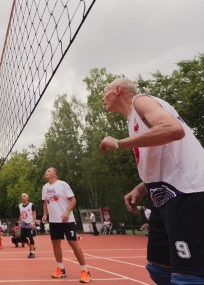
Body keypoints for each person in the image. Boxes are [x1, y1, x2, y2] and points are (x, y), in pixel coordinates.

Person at [99, 77, 204, 284]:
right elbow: (166, 157)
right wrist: (142, 187)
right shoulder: (134, 120)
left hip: (188, 194)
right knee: (158, 269)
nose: (102, 97)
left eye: (105, 91)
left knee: (189, 277)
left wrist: (118, 143)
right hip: (164, 198)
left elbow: (173, 129)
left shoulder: (141, 101)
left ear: (118, 90)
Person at [42, 167, 91, 283]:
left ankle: (85, 271)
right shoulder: (45, 187)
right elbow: (45, 202)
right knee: (55, 243)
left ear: (55, 174)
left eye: (48, 171)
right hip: (54, 221)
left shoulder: (62, 184)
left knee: (73, 243)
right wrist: (45, 214)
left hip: (67, 220)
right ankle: (61, 269)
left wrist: (67, 212)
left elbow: (73, 200)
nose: (46, 172)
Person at [19, 193, 37, 258]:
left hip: (30, 223)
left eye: (24, 196)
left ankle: (32, 252)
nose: (23, 197)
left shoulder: (31, 205)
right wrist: (20, 223)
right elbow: (20, 214)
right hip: (23, 223)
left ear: (27, 198)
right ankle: (32, 247)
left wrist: (33, 223)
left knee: (30, 237)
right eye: (22, 196)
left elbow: (34, 214)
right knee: (23, 238)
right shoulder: (20, 205)